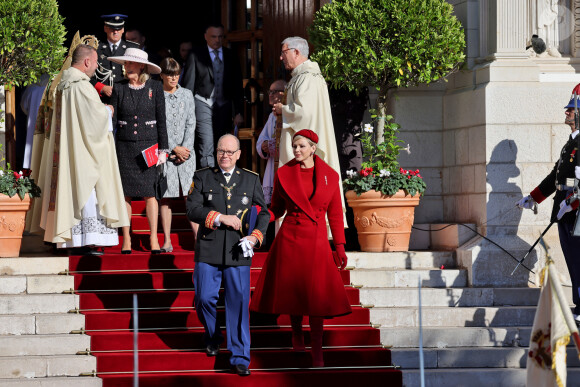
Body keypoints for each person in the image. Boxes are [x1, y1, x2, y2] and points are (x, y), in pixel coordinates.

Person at [250, 129, 351, 367]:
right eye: (294, 146)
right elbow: (277, 209)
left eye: (301, 146)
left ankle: (317, 348)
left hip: (316, 241)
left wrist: (340, 246)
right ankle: (297, 335)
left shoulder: (330, 175)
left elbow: (335, 214)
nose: (296, 150)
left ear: (313, 148)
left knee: (315, 296)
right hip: (290, 238)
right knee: (294, 292)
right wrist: (258, 217)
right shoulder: (284, 173)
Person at [186, 134, 270, 376]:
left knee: (240, 302)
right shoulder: (203, 176)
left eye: (230, 152)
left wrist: (255, 236)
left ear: (239, 154)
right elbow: (192, 209)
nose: (225, 155)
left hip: (238, 249)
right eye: (221, 151)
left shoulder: (251, 179)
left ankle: (240, 355)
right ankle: (213, 335)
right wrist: (220, 218)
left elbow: (263, 213)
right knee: (203, 298)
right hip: (209, 248)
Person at [37, 44, 129, 253]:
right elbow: (93, 119)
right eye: (96, 62)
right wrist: (107, 111)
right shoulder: (82, 86)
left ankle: (68, 239)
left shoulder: (62, 84)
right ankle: (85, 240)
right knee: (87, 190)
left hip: (68, 149)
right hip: (82, 153)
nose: (96, 67)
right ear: (87, 62)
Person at [516, 91, 580, 326]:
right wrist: (533, 198)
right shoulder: (571, 143)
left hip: (575, 211)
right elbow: (556, 176)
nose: (567, 112)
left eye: (571, 110)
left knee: (578, 259)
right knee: (573, 260)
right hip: (564, 208)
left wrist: (570, 203)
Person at [273, 36, 347, 219]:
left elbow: (304, 113)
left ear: (296, 52)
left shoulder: (307, 78)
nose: (281, 58)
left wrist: (283, 109)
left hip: (304, 145)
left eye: (284, 52)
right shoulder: (305, 76)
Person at [109, 48, 169, 254]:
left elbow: (162, 120)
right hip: (124, 147)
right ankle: (126, 238)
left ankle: (153, 237)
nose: (126, 67)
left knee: (150, 194)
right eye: (125, 64)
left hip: (149, 147)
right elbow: (112, 121)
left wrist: (163, 149)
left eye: (130, 64)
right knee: (125, 194)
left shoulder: (155, 87)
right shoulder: (118, 87)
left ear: (141, 66)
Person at [181, 23, 244, 169]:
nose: (217, 40)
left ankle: (223, 177)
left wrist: (238, 112)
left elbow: (237, 88)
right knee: (206, 143)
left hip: (224, 105)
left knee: (222, 144)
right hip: (203, 102)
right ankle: (207, 180)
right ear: (205, 37)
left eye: (220, 37)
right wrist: (187, 112)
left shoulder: (230, 55)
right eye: (213, 37)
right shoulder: (196, 54)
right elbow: (188, 85)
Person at [159, 57, 197, 252]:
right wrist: (174, 147)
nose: (174, 78)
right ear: (162, 75)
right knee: (166, 196)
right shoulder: (157, 95)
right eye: (170, 74)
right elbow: (158, 125)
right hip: (165, 153)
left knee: (190, 195)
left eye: (176, 74)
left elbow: (191, 123)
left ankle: (198, 237)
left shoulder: (187, 94)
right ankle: (166, 240)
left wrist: (185, 149)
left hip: (187, 154)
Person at [92, 14, 140, 102]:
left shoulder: (132, 48)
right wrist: (101, 87)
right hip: (102, 100)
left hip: (127, 98)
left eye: (118, 29)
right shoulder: (96, 48)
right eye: (112, 29)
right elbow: (87, 75)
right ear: (105, 28)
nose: (115, 32)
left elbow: (141, 74)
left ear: (123, 30)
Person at [256, 79, 286, 204]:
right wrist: (264, 146)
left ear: (284, 94)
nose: (270, 94)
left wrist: (273, 145)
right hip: (273, 162)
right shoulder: (271, 116)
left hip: (284, 161)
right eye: (270, 91)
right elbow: (261, 140)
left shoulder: (287, 113)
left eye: (275, 91)